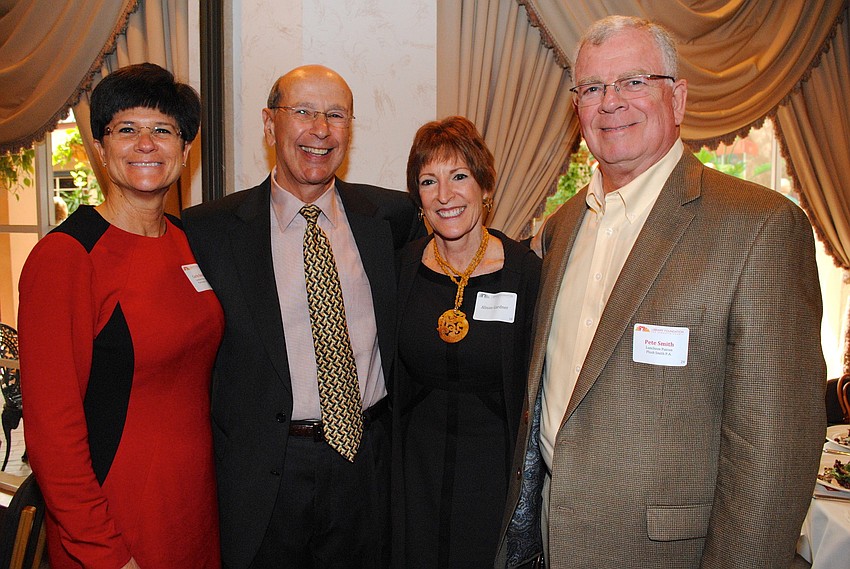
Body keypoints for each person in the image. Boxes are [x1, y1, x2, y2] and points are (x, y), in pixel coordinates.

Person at [496, 15, 826, 569]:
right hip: (552, 542)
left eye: (633, 82)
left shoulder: (758, 226)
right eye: (593, 88)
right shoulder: (560, 227)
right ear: (577, 108)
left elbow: (775, 450)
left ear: (678, 98)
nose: (610, 102)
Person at [182, 64, 424, 569]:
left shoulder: (391, 220)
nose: (320, 129)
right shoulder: (209, 231)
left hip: (366, 462)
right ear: (270, 125)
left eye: (336, 115)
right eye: (304, 112)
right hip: (265, 470)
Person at [18, 63, 223, 569]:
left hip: (196, 512)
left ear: (185, 148)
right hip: (115, 525)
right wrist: (102, 551)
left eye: (163, 130)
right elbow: (52, 436)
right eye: (126, 129)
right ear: (102, 149)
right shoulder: (67, 257)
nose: (146, 144)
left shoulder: (189, 242)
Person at [393, 116, 540, 568]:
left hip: (493, 469)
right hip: (413, 470)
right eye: (428, 181)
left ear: (483, 185)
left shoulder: (525, 272)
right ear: (418, 197)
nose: (445, 195)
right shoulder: (401, 268)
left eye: (459, 176)